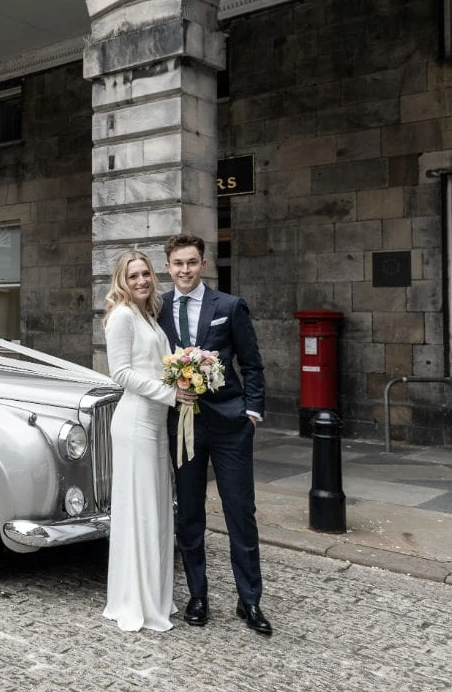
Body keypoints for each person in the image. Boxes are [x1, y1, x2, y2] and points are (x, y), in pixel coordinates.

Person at [158, 233, 271, 635]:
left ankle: (250, 601)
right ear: (168, 266)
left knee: (240, 511)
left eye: (191, 262)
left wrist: (252, 413)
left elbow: (252, 363)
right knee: (188, 513)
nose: (184, 270)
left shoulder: (229, 306)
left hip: (229, 424)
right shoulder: (158, 308)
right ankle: (198, 595)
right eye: (177, 263)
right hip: (182, 425)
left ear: (202, 264)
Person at [101, 250, 195, 632]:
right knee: (140, 511)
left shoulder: (148, 316)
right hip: (136, 420)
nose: (141, 281)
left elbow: (159, 365)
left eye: (145, 274)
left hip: (156, 424)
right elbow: (120, 373)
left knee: (156, 511)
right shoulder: (121, 316)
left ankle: (154, 596)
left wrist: (188, 372)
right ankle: (134, 601)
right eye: (133, 275)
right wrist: (171, 394)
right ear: (122, 280)